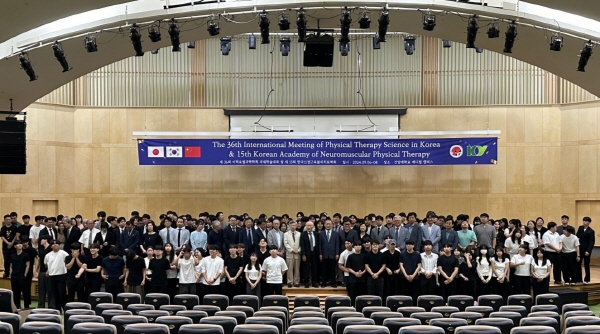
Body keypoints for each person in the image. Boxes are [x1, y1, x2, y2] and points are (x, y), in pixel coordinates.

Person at [45, 240, 68, 312]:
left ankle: (65, 308)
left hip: (61, 275)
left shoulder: (64, 253)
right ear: (51, 246)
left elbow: (67, 262)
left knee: (62, 293)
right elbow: (46, 265)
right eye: (53, 244)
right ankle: (58, 309)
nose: (55, 245)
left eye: (57, 244)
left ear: (59, 245)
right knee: (54, 293)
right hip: (52, 276)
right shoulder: (48, 255)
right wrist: (49, 270)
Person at [9, 240, 30, 308]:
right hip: (14, 276)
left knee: (25, 293)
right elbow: (11, 266)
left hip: (22, 276)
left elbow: (28, 265)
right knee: (15, 293)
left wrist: (25, 274)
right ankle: (17, 307)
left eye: (20, 244)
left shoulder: (26, 255)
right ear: (15, 246)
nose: (20, 245)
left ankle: (26, 307)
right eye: (18, 244)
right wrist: (11, 273)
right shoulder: (12, 256)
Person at [319, 218, 340, 287]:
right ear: (324, 225)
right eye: (327, 224)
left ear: (332, 225)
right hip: (324, 254)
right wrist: (320, 253)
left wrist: (337, 253)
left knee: (332, 269)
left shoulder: (336, 234)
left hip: (332, 254)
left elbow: (337, 244)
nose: (328, 225)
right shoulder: (321, 234)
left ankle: (333, 282)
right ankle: (324, 282)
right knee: (324, 269)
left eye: (329, 224)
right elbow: (320, 245)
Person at [345, 242, 366, 306]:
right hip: (353, 279)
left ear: (361, 247)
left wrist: (362, 272)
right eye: (356, 245)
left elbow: (367, 266)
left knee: (362, 296)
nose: (358, 247)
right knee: (352, 295)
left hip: (362, 279)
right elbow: (348, 268)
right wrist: (355, 273)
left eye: (359, 245)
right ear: (353, 247)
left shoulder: (364, 256)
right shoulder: (350, 256)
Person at [300, 221, 320, 288]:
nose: (309, 227)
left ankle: (314, 282)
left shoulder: (316, 234)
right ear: (305, 226)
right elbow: (302, 245)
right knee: (306, 268)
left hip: (314, 253)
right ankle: (306, 282)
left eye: (310, 226)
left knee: (315, 268)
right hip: (306, 253)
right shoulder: (303, 234)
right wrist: (303, 254)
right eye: (307, 226)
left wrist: (319, 254)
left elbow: (318, 245)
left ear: (313, 226)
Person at [20, 235, 37, 308]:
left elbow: (37, 258)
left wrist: (35, 269)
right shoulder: (20, 249)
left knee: (27, 288)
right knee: (21, 288)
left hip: (29, 271)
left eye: (26, 242)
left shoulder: (32, 250)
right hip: (20, 271)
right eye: (23, 242)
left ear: (28, 242)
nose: (24, 244)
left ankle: (27, 303)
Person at [576, 217, 594, 284]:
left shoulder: (591, 231)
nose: (585, 222)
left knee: (586, 265)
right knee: (578, 264)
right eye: (584, 221)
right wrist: (583, 234)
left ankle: (587, 279)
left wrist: (588, 251)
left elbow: (591, 242)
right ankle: (578, 279)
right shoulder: (580, 228)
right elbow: (577, 235)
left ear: (589, 223)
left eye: (586, 221)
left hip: (586, 250)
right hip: (580, 249)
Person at [283, 221, 301, 288]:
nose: (293, 226)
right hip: (290, 253)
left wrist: (298, 250)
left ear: (296, 226)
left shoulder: (299, 234)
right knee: (289, 268)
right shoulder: (286, 234)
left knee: (297, 268)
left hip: (297, 254)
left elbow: (301, 244)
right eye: (291, 225)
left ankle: (296, 281)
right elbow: (286, 243)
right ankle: (289, 282)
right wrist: (292, 250)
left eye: (294, 225)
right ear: (289, 226)